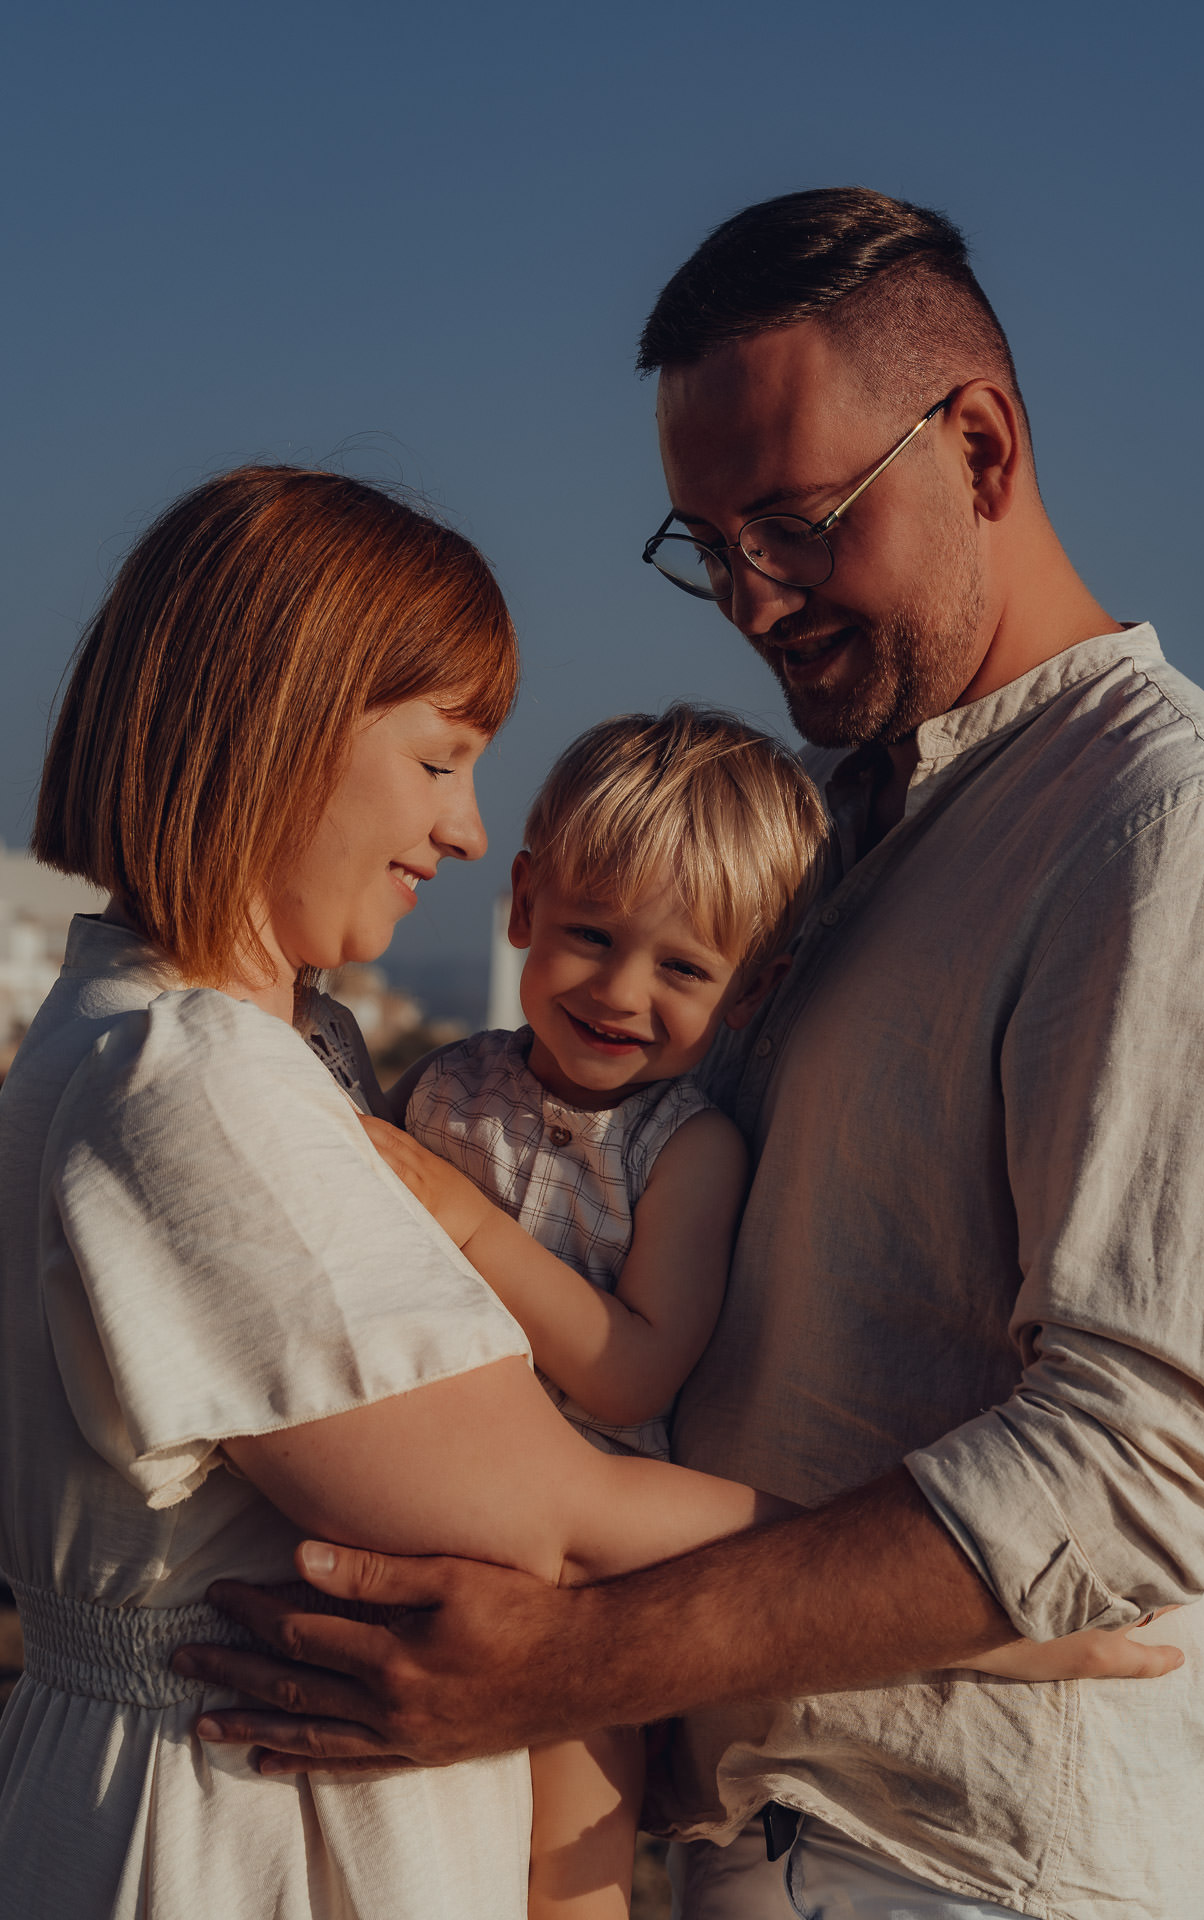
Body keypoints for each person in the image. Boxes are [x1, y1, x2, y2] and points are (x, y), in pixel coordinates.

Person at [181, 190, 1204, 1920]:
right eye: (705, 542)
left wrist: (574, 1657)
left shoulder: (1170, 825)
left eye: (795, 523)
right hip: (739, 1836)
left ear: (980, 446)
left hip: (977, 1865)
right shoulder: (817, 830)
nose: (750, 599)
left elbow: (1145, 1463)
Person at [0, 464, 802, 1920]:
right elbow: (552, 1518)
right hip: (245, 1836)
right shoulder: (197, 1080)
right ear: (279, 722)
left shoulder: (207, 1044)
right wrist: (973, 1596)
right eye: (440, 762)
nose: (469, 832)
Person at [377, 704, 1172, 1919]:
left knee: (567, 1860)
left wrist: (471, 1229)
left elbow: (634, 1371)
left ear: (753, 990)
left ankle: (1019, 1638)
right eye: (590, 934)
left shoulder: (683, 1150)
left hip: (604, 1538)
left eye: (682, 969)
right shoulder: (446, 1087)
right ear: (523, 903)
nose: (620, 991)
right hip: (447, 1495)